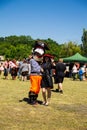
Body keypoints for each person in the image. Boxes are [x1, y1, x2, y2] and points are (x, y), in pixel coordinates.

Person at [28, 40, 49, 105]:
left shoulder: (39, 62)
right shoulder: (32, 60)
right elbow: (31, 62)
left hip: (39, 75)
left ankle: (35, 99)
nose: (39, 55)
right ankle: (32, 100)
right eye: (37, 54)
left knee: (37, 89)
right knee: (34, 88)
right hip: (34, 75)